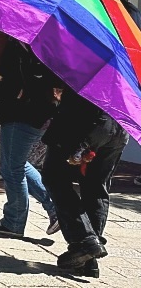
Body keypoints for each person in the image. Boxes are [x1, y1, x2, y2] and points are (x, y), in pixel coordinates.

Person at [0, 34, 60, 238]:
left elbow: (12, 84)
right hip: (37, 112)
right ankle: (55, 209)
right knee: (16, 163)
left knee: (12, 168)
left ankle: (13, 221)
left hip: (21, 114)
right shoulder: (42, 46)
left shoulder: (18, 49)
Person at [41, 87, 127, 276]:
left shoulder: (86, 59)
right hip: (117, 124)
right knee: (96, 186)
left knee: (54, 176)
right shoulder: (125, 62)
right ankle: (89, 259)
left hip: (83, 119)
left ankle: (86, 242)